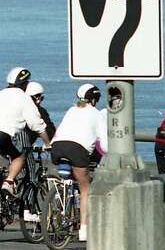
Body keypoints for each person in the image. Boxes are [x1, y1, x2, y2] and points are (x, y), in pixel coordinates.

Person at [0, 67, 50, 192]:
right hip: (3, 135)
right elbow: (36, 124)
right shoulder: (24, 97)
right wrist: (47, 143)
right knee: (20, 156)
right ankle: (9, 182)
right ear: (25, 84)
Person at [50, 84, 108, 243]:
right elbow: (104, 144)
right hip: (77, 149)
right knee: (85, 188)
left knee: (67, 179)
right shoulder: (96, 114)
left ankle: (62, 197)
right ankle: (84, 228)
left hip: (57, 146)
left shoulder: (71, 109)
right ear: (95, 99)